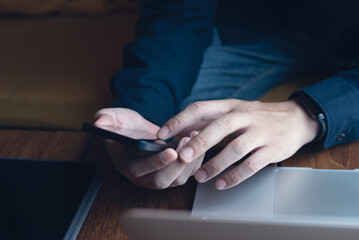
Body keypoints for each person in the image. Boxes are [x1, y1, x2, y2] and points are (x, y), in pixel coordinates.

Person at [94, 0, 359, 190]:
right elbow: (176, 17)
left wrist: (307, 114)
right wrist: (142, 109)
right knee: (180, 124)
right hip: (262, 26)